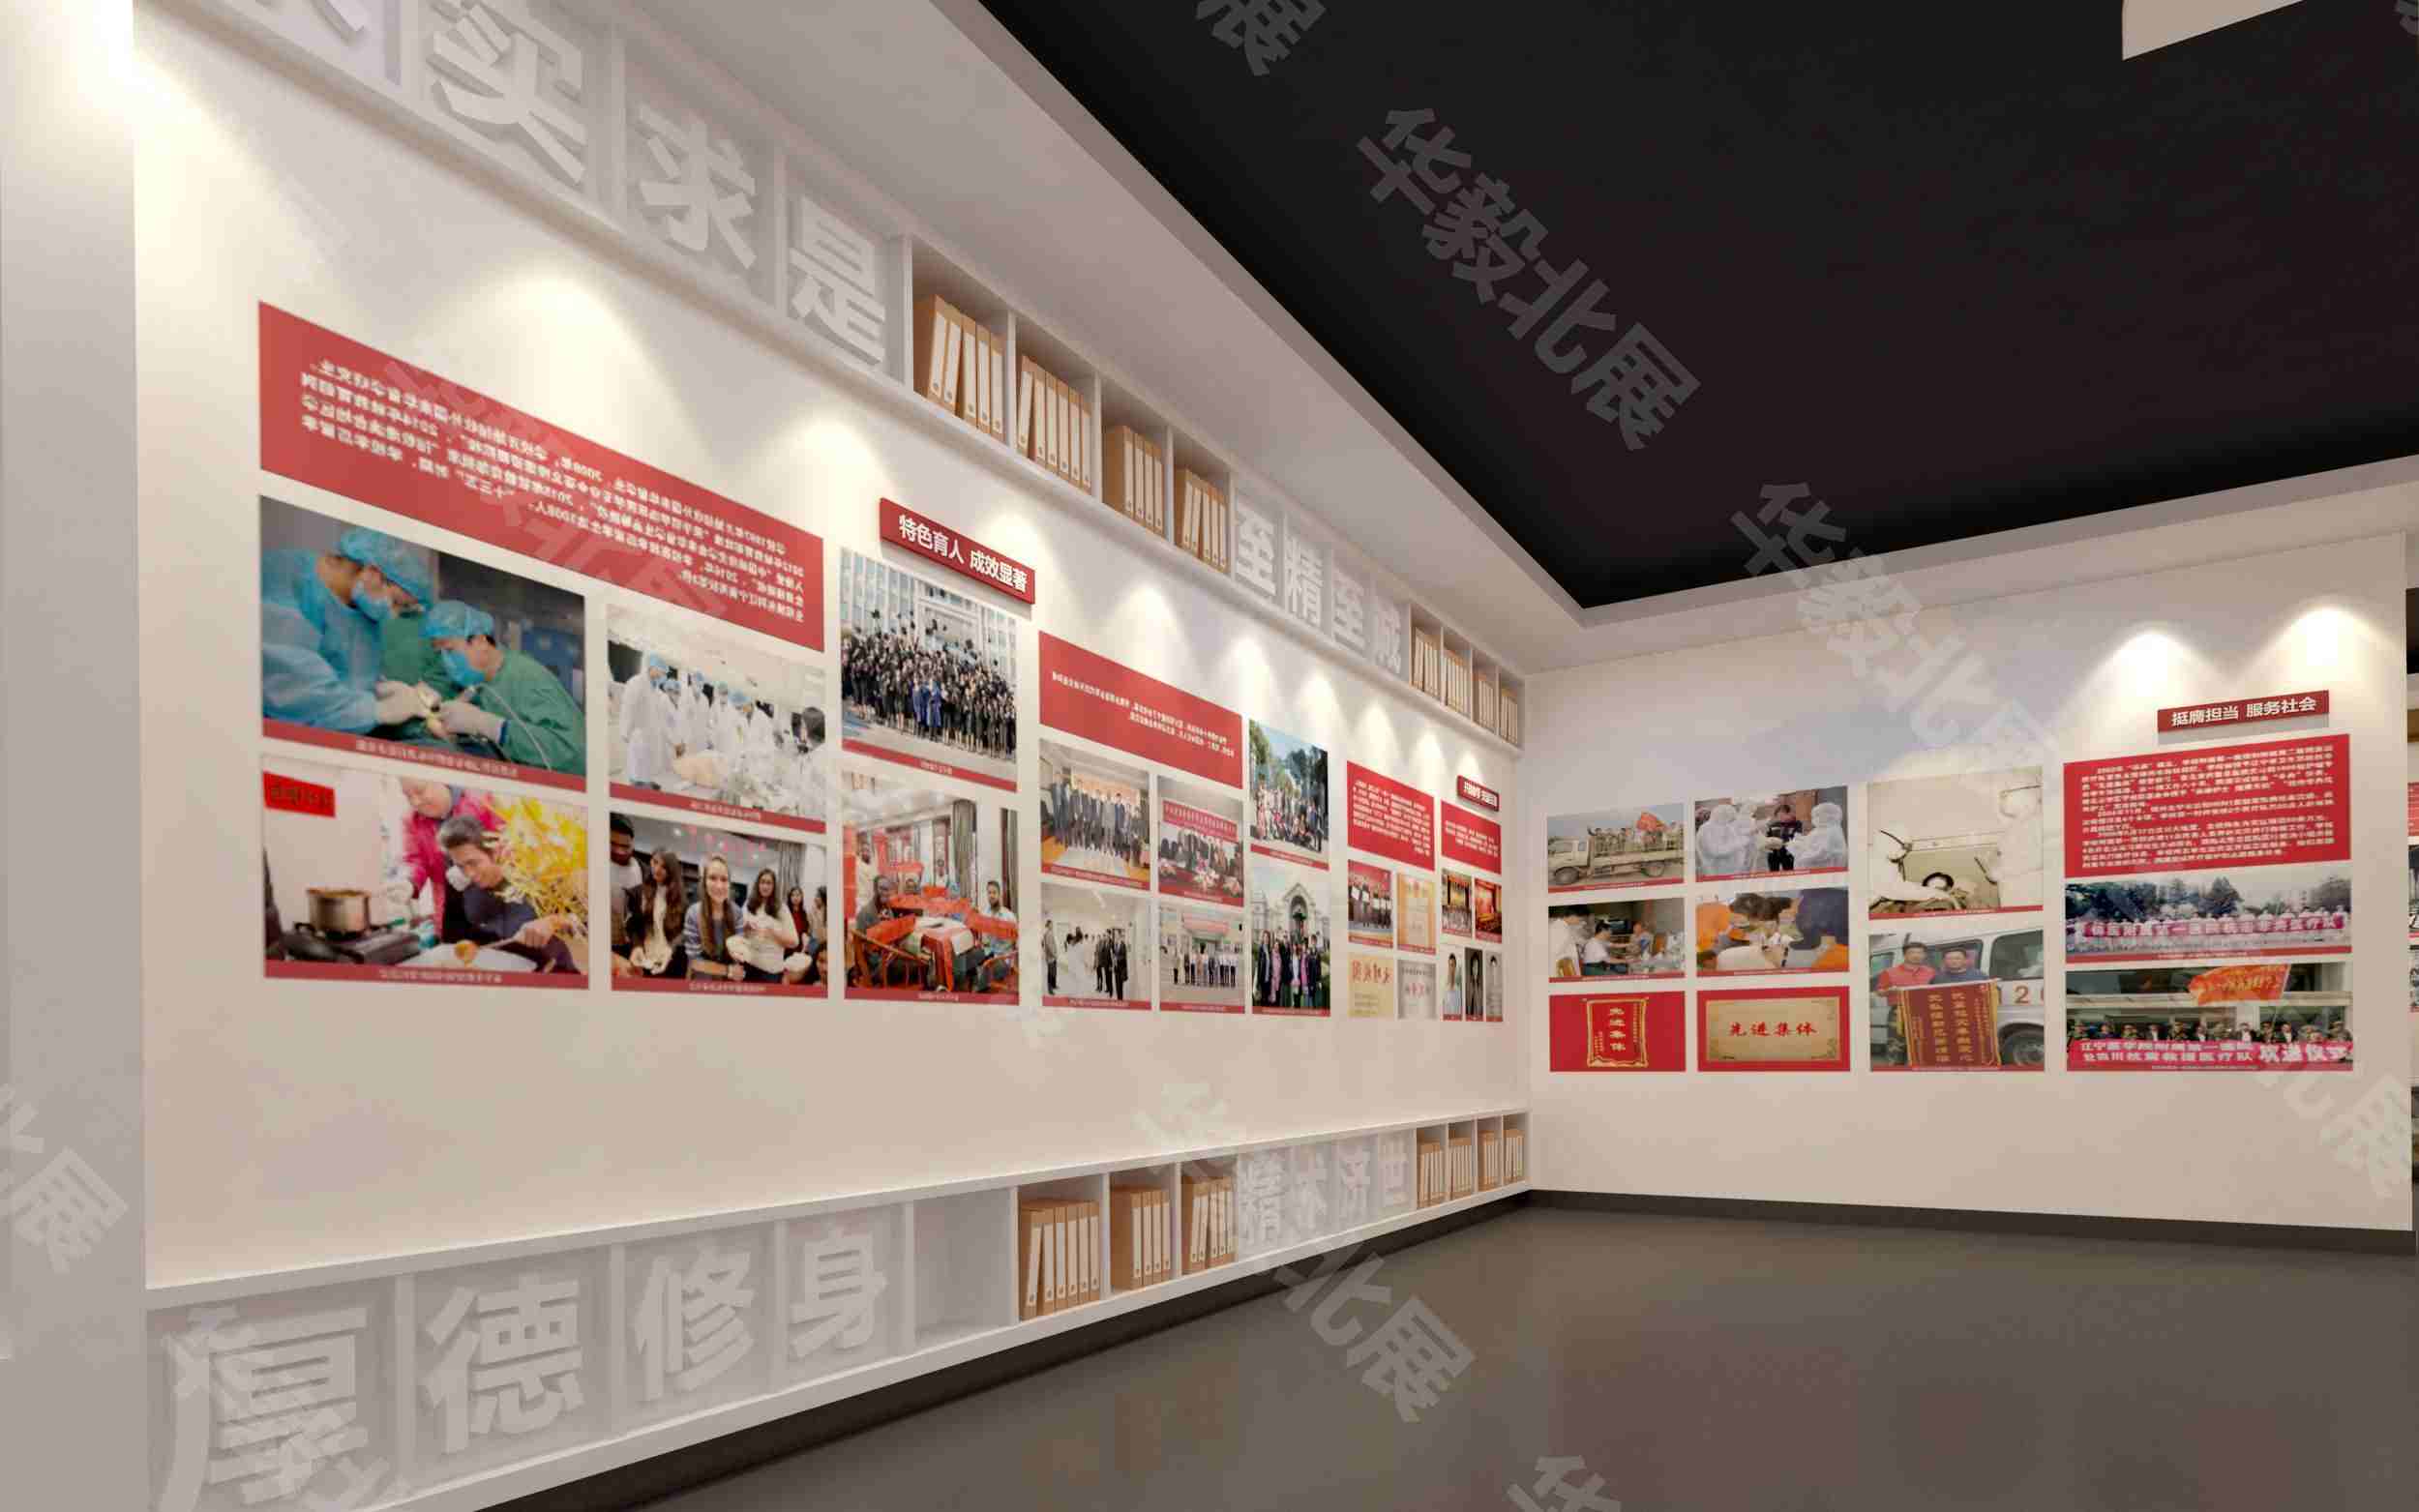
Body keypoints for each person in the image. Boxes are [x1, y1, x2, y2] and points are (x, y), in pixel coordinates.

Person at [262, 523, 438, 733]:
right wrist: (378, 710)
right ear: (373, 573)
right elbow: (290, 688)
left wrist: (380, 690)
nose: (392, 614)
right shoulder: (285, 583)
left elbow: (352, 676)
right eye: (396, 602)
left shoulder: (361, 608)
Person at [422, 600, 587, 775]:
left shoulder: (525, 676)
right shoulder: (479, 682)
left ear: (480, 642)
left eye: (449, 650)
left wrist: (491, 726)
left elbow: (569, 749)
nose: (445, 660)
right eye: (439, 653)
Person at [436, 813, 577, 971]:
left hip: (554, 971)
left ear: (494, 852)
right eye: (460, 866)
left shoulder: (535, 874)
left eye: (473, 863)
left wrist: (552, 922)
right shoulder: (461, 887)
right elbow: (454, 938)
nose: (469, 874)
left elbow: (583, 920)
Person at [399, 779, 496, 944]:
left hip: (491, 902)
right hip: (450, 907)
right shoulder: (410, 820)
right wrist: (409, 882)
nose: (415, 802)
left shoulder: (483, 801)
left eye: (420, 791)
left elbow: (508, 844)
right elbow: (414, 860)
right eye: (408, 796)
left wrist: (472, 868)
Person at [685, 855, 751, 982]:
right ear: (704, 882)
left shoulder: (736, 912)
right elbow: (694, 961)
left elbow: (739, 952)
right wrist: (727, 970)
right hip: (702, 979)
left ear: (729, 884)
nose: (719, 886)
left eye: (724, 879)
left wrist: (740, 953)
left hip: (727, 981)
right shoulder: (693, 913)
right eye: (712, 878)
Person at [624, 848, 688, 978]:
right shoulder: (637, 893)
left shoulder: (680, 898)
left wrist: (671, 948)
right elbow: (632, 926)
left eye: (664, 867)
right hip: (644, 960)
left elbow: (685, 930)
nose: (657, 869)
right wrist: (636, 946)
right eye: (655, 862)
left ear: (671, 871)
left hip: (671, 961)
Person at [618, 655, 676, 787]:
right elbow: (628, 707)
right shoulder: (636, 682)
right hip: (637, 734)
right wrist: (625, 731)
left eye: (664, 673)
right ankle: (637, 786)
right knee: (637, 766)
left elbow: (658, 715)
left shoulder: (656, 690)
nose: (663, 675)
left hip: (651, 735)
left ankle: (646, 782)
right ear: (653, 668)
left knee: (647, 765)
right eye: (662, 671)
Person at [734, 867, 800, 983]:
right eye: (762, 882)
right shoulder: (749, 903)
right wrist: (745, 927)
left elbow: (794, 942)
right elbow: (737, 930)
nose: (765, 886)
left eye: (769, 883)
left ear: (774, 886)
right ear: (758, 884)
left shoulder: (781, 908)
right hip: (748, 965)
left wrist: (773, 933)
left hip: (770, 971)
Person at [606, 815, 643, 971]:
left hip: (632, 948)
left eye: (625, 846)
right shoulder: (588, 865)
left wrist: (637, 946)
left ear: (632, 843)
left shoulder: (645, 871)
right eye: (613, 844)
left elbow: (642, 919)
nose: (619, 851)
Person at [1786, 801, 1848, 871]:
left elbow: (1819, 853)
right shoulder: (1822, 829)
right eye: (1814, 816)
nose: (1814, 819)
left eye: (1817, 815)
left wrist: (1797, 848)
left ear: (1828, 816)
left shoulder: (1830, 831)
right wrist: (1799, 841)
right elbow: (1810, 841)